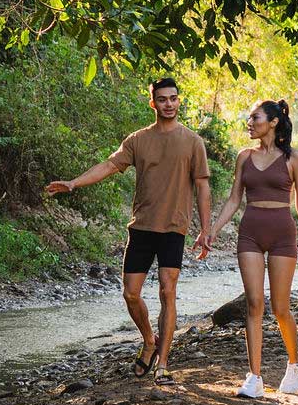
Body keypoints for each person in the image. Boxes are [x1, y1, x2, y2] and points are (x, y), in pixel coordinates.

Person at [47, 78, 211, 381]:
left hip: (174, 228)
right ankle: (149, 340)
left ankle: (163, 364)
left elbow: (202, 187)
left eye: (173, 98)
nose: (169, 104)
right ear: (153, 104)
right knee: (131, 294)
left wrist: (205, 229)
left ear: (179, 101)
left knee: (167, 292)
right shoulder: (138, 139)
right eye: (162, 99)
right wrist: (73, 183)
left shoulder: (193, 142)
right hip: (142, 228)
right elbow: (109, 165)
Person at [195, 99, 298, 397]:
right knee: (253, 304)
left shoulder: (294, 159)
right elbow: (235, 199)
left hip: (282, 236)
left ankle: (294, 362)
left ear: (273, 122)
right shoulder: (244, 156)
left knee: (280, 307)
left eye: (255, 118)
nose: (249, 123)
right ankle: (255, 377)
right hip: (249, 234)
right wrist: (210, 231)